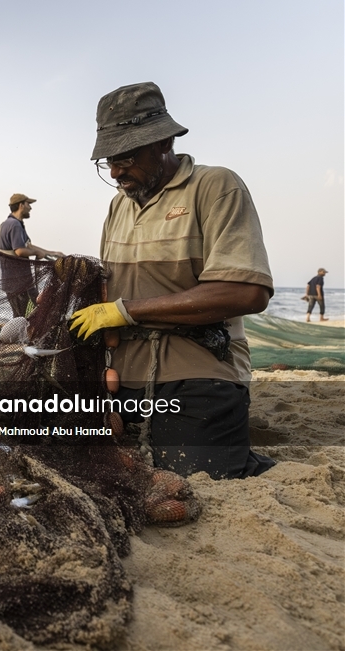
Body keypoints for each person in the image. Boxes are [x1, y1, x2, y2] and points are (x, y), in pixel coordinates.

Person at [69, 81, 275, 480]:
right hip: (125, 374)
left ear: (163, 142)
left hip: (197, 366)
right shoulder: (118, 206)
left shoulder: (215, 187)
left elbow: (246, 292)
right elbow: (111, 292)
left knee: (191, 474)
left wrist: (126, 312)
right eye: (107, 161)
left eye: (125, 156)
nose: (115, 171)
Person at [0, 193, 64, 319]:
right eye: (28, 204)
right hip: (19, 282)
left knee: (28, 314)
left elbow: (28, 246)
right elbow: (20, 251)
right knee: (23, 317)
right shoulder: (14, 225)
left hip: (17, 282)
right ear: (21, 205)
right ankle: (17, 338)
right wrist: (37, 253)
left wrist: (51, 253)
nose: (30, 208)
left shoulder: (10, 223)